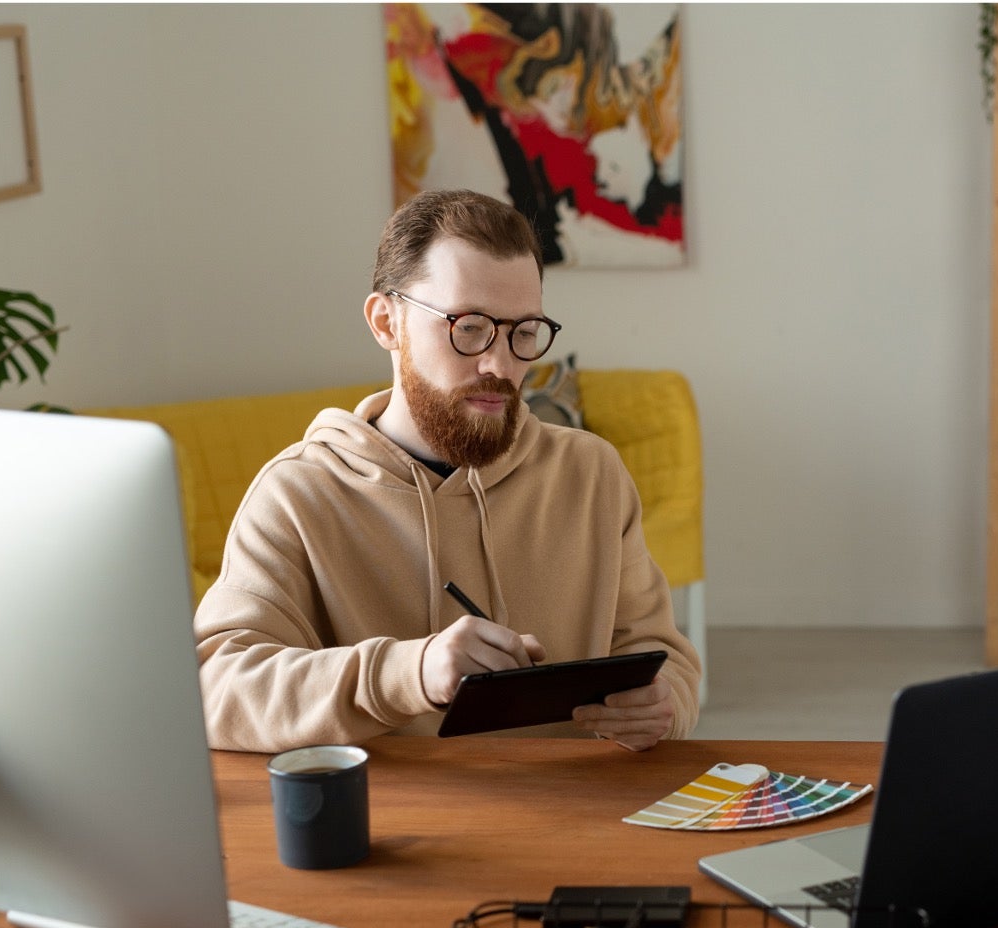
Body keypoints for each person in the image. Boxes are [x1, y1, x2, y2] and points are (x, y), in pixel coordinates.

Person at [194, 188, 700, 753]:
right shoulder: (297, 495)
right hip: (395, 828)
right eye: (468, 327)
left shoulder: (591, 473)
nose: (500, 365)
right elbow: (214, 691)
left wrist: (665, 703)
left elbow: (663, 655)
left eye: (523, 332)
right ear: (387, 323)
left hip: (579, 817)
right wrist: (410, 672)